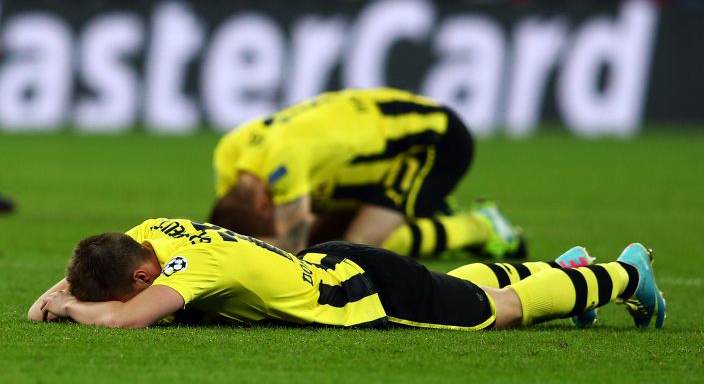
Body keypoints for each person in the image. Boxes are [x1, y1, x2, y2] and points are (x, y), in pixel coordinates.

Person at [29, 217, 666, 330]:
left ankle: (626, 275)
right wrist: (65, 297)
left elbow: (123, 317)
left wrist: (72, 308)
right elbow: (65, 295)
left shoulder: (189, 270)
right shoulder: (149, 232)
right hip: (335, 263)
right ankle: (565, 273)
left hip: (360, 291)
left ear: (143, 277)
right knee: (470, 289)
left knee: (495, 312)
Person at [209, 87, 525, 259]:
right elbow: (234, 221)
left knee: (355, 252)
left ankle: (481, 227)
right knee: (323, 239)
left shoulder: (285, 162)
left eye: (273, 219)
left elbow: (292, 249)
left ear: (265, 205)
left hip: (434, 142)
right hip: (372, 155)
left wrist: (229, 254)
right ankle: (425, 212)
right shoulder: (228, 156)